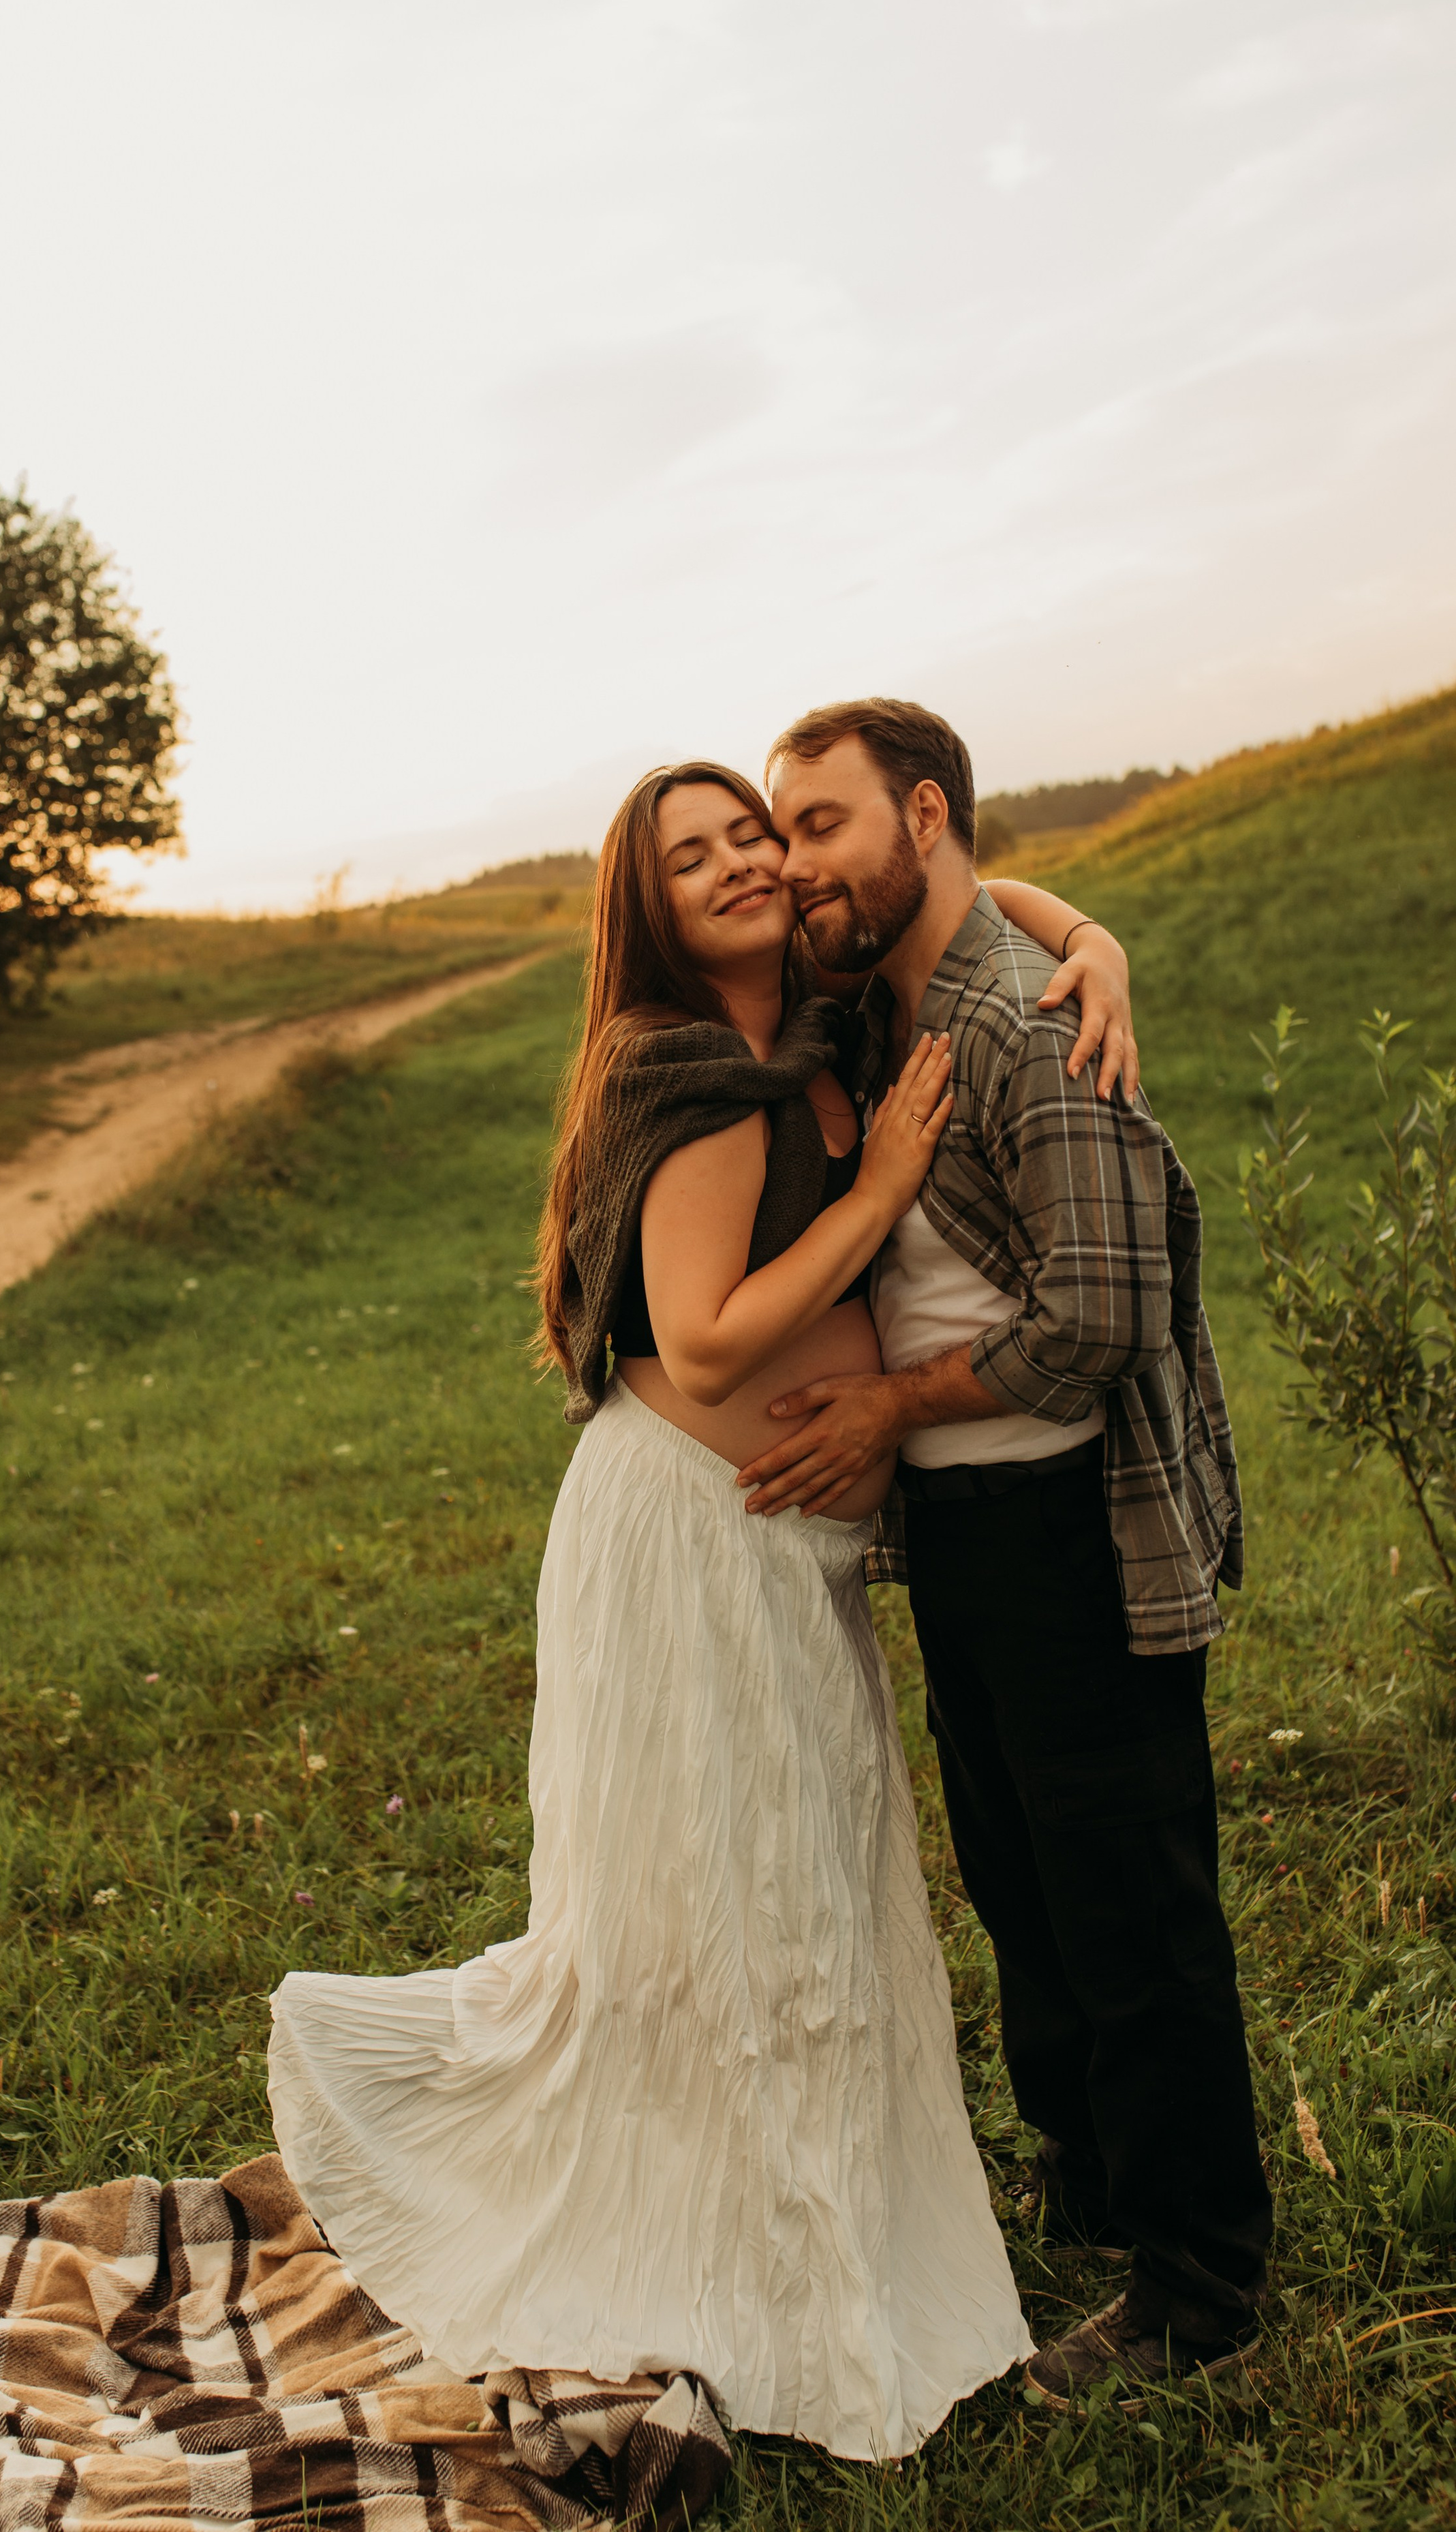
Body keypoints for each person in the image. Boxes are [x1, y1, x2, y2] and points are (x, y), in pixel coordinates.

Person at [266, 758, 1136, 2458]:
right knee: (722, 1905)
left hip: (778, 1550)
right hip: (687, 1538)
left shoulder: (810, 1028)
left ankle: (806, 2215)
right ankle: (740, 2254)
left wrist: (1089, 935)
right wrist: (881, 1194)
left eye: (753, 831)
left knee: (792, 1887)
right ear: (645, 907)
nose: (741, 861)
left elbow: (986, 905)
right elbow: (711, 1334)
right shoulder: (688, 1079)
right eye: (693, 854)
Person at [737, 697, 1270, 2409]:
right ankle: (1096, 2201)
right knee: (1025, 1900)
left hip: (1070, 1535)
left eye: (818, 825)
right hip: (960, 1542)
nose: (790, 861)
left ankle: (1198, 2282)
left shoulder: (1030, 1028)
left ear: (921, 811)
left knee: (1130, 1912)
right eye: (777, 831)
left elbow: (1101, 1319)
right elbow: (989, 898)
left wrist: (888, 1407)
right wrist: (1079, 908)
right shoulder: (876, 1006)